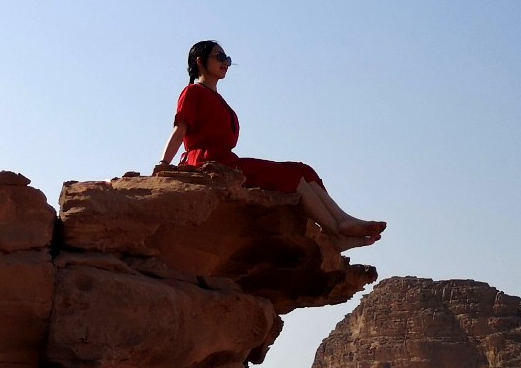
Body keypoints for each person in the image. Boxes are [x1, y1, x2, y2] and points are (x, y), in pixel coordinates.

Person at [158, 39, 386, 249]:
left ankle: (343, 220)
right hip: (207, 162)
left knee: (302, 170)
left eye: (227, 59)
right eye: (219, 57)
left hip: (226, 160)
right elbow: (180, 130)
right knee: (288, 177)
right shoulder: (192, 92)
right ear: (199, 61)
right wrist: (164, 163)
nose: (226, 63)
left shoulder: (217, 97)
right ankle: (335, 232)